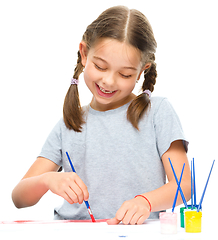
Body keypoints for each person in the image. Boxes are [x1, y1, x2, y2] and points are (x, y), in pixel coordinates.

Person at [12, 5, 191, 225]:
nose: (109, 81)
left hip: (136, 233)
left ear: (142, 71)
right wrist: (48, 180)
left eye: (125, 74)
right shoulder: (70, 123)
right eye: (100, 66)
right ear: (84, 54)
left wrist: (146, 201)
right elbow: (19, 198)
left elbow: (183, 186)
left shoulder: (158, 112)